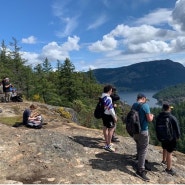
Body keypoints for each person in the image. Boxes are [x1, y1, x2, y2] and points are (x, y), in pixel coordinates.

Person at [132, 93, 154, 181]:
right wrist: (152, 116)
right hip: (143, 130)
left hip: (134, 130)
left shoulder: (134, 105)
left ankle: (139, 161)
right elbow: (149, 119)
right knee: (143, 149)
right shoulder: (145, 106)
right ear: (143, 98)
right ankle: (140, 170)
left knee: (138, 145)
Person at [156, 103, 181, 176]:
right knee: (170, 152)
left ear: (163, 108)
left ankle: (164, 160)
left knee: (164, 148)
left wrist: (159, 136)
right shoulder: (172, 117)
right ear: (169, 108)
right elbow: (177, 128)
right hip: (171, 138)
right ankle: (169, 169)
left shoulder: (159, 117)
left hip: (162, 137)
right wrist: (178, 137)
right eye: (170, 108)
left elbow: (156, 128)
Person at [101, 85, 118, 152]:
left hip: (104, 114)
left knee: (105, 128)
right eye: (111, 90)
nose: (112, 91)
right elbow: (111, 109)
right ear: (109, 90)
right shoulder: (108, 98)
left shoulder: (102, 96)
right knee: (111, 129)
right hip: (108, 115)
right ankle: (108, 145)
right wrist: (114, 117)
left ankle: (107, 143)